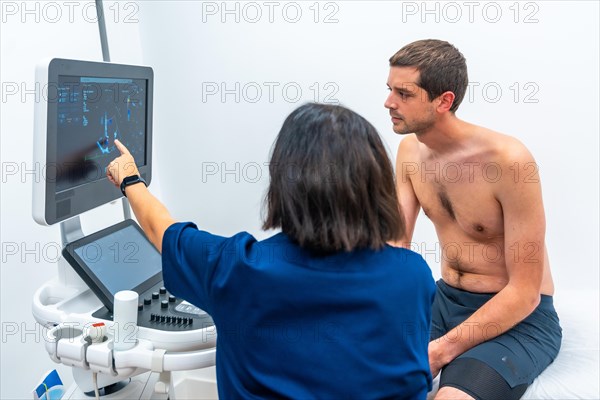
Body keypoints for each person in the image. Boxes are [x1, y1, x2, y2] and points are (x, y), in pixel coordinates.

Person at [107, 103, 437, 399]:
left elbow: (160, 229)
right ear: (375, 183)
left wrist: (130, 179)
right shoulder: (413, 276)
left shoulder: (237, 268)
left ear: (284, 183)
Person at [384, 39, 562, 400]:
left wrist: (440, 351)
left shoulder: (509, 162)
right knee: (359, 376)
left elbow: (525, 292)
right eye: (390, 90)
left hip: (517, 319)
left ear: (444, 101)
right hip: (444, 301)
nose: (389, 103)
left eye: (404, 93)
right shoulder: (409, 151)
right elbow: (394, 250)